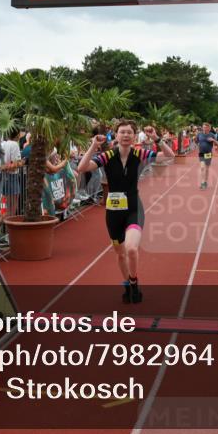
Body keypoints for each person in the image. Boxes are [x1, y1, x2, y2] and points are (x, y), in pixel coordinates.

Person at [77, 121, 173, 303]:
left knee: (131, 248)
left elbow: (169, 156)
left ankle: (134, 281)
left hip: (134, 209)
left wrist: (156, 138)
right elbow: (82, 168)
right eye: (122, 132)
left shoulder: (140, 153)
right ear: (116, 135)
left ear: (134, 136)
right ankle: (127, 284)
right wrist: (93, 146)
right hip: (113, 213)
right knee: (120, 253)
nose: (126, 135)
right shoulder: (107, 156)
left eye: (129, 132)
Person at [195, 122, 218, 190]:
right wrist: (197, 144)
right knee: (202, 168)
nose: (204, 128)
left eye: (206, 127)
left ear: (209, 128)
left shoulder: (212, 135)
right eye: (203, 127)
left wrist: (213, 140)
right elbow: (196, 141)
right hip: (201, 153)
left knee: (206, 169)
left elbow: (217, 143)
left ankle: (205, 182)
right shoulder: (199, 134)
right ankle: (202, 182)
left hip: (208, 153)